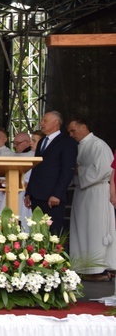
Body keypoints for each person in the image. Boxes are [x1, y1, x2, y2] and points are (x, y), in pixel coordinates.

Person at [66, 118, 115, 281]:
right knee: (81, 228)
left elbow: (103, 169)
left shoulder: (98, 145)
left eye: (73, 131)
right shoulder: (79, 147)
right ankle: (84, 266)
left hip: (97, 192)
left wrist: (78, 170)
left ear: (84, 127)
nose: (71, 135)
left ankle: (98, 267)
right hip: (82, 192)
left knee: (96, 229)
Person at [24, 111, 77, 235]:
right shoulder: (42, 142)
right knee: (38, 233)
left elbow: (67, 170)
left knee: (53, 234)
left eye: (45, 121)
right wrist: (29, 192)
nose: (41, 124)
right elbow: (36, 168)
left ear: (56, 123)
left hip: (52, 197)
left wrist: (57, 194)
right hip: (37, 195)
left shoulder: (67, 142)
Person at [12, 132, 35, 230]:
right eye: (14, 143)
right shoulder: (14, 156)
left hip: (25, 193)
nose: (15, 146)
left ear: (26, 142)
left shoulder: (33, 155)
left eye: (17, 143)